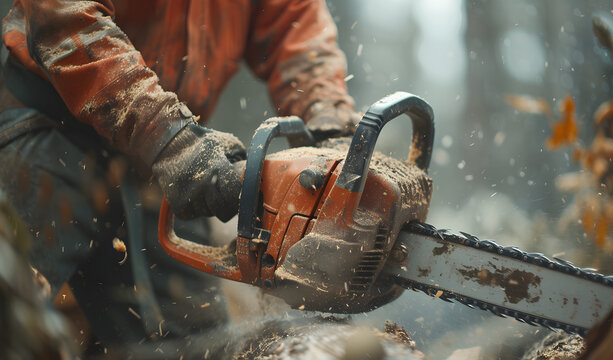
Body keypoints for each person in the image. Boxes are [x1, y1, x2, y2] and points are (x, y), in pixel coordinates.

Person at [0, 0, 358, 355]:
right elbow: (64, 16)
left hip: (162, 167)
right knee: (13, 313)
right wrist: (169, 138)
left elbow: (294, 24)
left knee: (193, 345)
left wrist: (329, 121)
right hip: (49, 131)